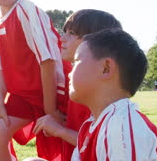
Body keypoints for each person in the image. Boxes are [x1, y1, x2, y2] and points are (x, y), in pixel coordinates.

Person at [34, 29, 157, 160]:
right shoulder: (92, 124)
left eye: (76, 62)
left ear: (106, 68)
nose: (70, 73)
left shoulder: (120, 126)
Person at [0, 0, 66, 161]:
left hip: (52, 94)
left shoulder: (25, 10)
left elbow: (47, 61)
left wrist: (50, 110)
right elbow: (1, 70)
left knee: (66, 149)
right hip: (23, 96)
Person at [28, 9, 122, 161]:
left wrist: (59, 130)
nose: (62, 38)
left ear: (96, 41)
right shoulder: (76, 82)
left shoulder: (99, 88)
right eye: (64, 31)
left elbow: (101, 143)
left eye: (71, 33)